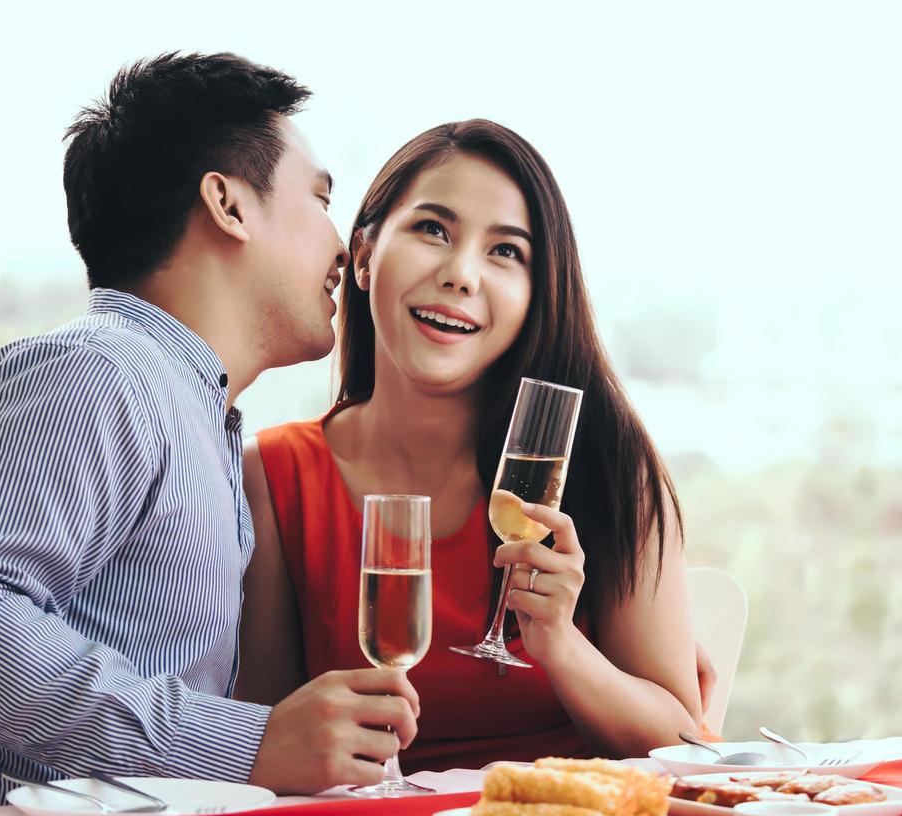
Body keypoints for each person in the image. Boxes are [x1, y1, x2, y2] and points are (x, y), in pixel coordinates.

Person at [0, 53, 421, 810]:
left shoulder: (193, 411)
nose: (343, 244)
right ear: (228, 205)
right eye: (320, 200)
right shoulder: (96, 376)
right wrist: (245, 743)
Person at [239, 120, 702, 771]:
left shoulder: (604, 462)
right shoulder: (273, 476)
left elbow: (688, 746)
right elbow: (272, 746)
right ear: (365, 256)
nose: (461, 275)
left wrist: (563, 647)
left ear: (536, 297)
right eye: (433, 230)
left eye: (506, 252)